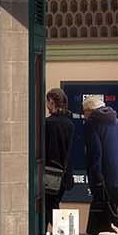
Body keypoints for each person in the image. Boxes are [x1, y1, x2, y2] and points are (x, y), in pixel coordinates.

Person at [81, 93, 118, 235]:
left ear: (89, 110)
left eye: (84, 111)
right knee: (112, 209)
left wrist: (96, 178)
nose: (83, 115)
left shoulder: (92, 123)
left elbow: (95, 153)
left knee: (102, 211)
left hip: (105, 175)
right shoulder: (115, 120)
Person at [40, 87, 76, 220]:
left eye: (47, 101)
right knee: (52, 206)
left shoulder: (48, 124)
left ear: (51, 102)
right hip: (64, 175)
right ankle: (63, 231)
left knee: (50, 209)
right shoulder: (69, 124)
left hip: (50, 174)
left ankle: (64, 231)